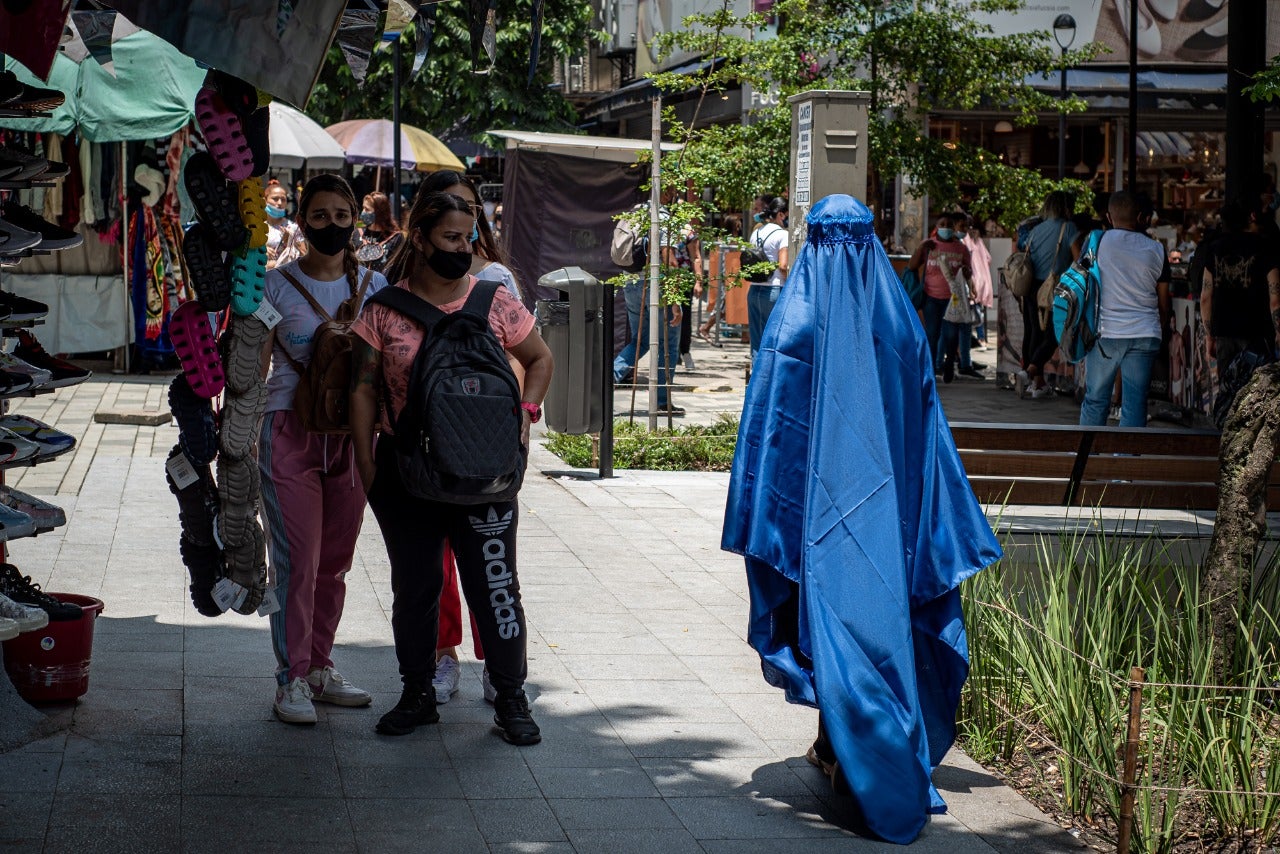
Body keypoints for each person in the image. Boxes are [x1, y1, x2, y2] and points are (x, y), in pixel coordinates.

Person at [350, 191, 554, 745]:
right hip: (405, 472)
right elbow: (364, 388)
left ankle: (511, 698)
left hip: (484, 474)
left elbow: (539, 358)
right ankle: (417, 694)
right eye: (450, 238)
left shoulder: (497, 302)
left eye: (468, 238)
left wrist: (526, 413)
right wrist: (368, 464)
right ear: (419, 238)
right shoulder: (383, 308)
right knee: (415, 589)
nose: (463, 249)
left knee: (496, 586)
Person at [260, 174, 388, 725]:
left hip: (355, 439)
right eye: (320, 216)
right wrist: (231, 435)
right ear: (301, 221)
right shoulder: (273, 286)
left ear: (356, 219)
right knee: (298, 560)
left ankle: (319, 667)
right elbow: (249, 366)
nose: (332, 226)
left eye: (342, 215)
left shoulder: (378, 287)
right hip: (288, 428)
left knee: (334, 562)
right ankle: (291, 679)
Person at [408, 169, 524, 704]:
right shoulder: (406, 282)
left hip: (486, 443)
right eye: (450, 216)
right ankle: (441, 655)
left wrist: (518, 422)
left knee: (490, 568)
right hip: (426, 449)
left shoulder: (495, 279)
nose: (462, 234)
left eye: (469, 213)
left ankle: (497, 668)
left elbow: (521, 356)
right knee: (438, 568)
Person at [1079, 191, 1171, 428]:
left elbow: (1080, 283)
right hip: (1145, 333)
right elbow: (1163, 303)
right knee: (1135, 404)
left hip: (1105, 333)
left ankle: (1086, 458)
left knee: (1096, 399)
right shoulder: (1157, 250)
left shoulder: (1095, 243)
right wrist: (1159, 331)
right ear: (1141, 217)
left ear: (1109, 217)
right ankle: (1127, 459)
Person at [612, 199, 683, 414]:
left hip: (630, 282)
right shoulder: (662, 216)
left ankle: (606, 381)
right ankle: (662, 400)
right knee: (668, 343)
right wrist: (675, 301)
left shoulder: (634, 211)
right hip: (654, 285)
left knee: (641, 340)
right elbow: (668, 260)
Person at [1197, 198, 1280, 378]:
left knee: (1227, 392)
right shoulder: (1264, 246)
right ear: (1248, 219)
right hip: (1257, 333)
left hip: (1224, 334)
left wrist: (1209, 336)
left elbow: (1205, 297)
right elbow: (1275, 298)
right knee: (1256, 394)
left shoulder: (1214, 249)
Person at [1015, 192, 1078, 398]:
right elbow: (1078, 260)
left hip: (1032, 287)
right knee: (1054, 334)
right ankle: (1030, 372)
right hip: (1055, 287)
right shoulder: (1068, 228)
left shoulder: (1036, 229)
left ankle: (1036, 383)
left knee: (1034, 332)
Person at [907, 213, 974, 379]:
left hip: (953, 299)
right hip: (931, 298)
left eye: (949, 225)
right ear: (936, 227)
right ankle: (930, 369)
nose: (946, 228)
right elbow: (912, 266)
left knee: (951, 335)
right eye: (942, 224)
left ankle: (949, 362)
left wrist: (966, 273)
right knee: (932, 334)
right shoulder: (930, 246)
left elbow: (968, 271)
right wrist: (921, 247)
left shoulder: (961, 248)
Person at [746, 195, 789, 360]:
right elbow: (783, 266)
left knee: (757, 343)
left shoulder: (756, 233)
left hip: (755, 290)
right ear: (781, 214)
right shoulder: (782, 235)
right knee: (775, 341)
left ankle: (757, 381)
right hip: (774, 290)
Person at [355, 191, 402, 274]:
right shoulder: (357, 231)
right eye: (363, 208)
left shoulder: (395, 238)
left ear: (379, 213)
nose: (363, 212)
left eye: (367, 209)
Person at [264, 179, 305, 271]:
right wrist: (262, 250)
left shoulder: (293, 228)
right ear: (265, 200)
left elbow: (304, 255)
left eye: (283, 200)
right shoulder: (256, 227)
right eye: (275, 199)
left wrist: (289, 243)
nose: (279, 203)